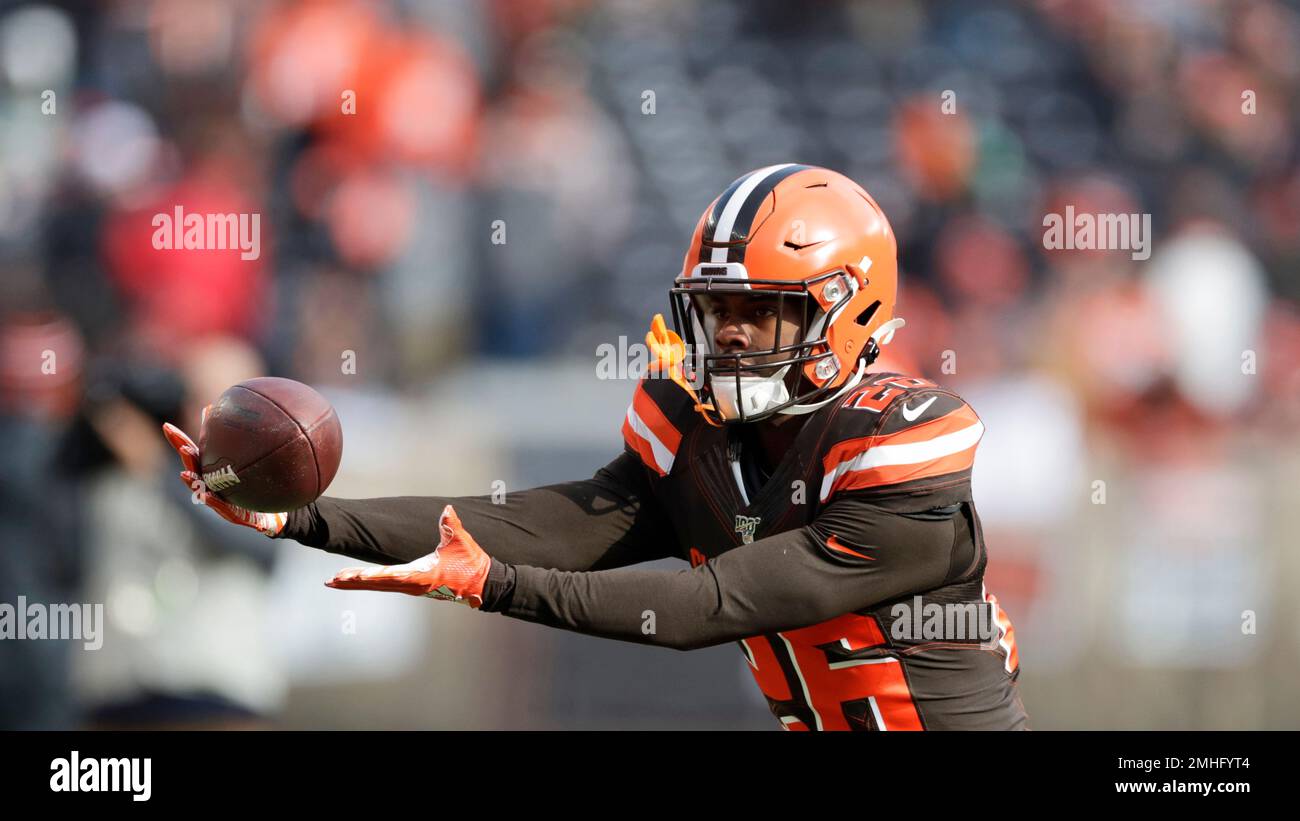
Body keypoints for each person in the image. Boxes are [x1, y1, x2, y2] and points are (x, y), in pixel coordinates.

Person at [163, 165, 1028, 731]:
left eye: (760, 312)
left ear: (850, 309)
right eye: (716, 313)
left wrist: (494, 589)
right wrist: (305, 517)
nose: (729, 338)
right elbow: (529, 526)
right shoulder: (693, 430)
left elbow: (706, 605)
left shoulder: (902, 446)